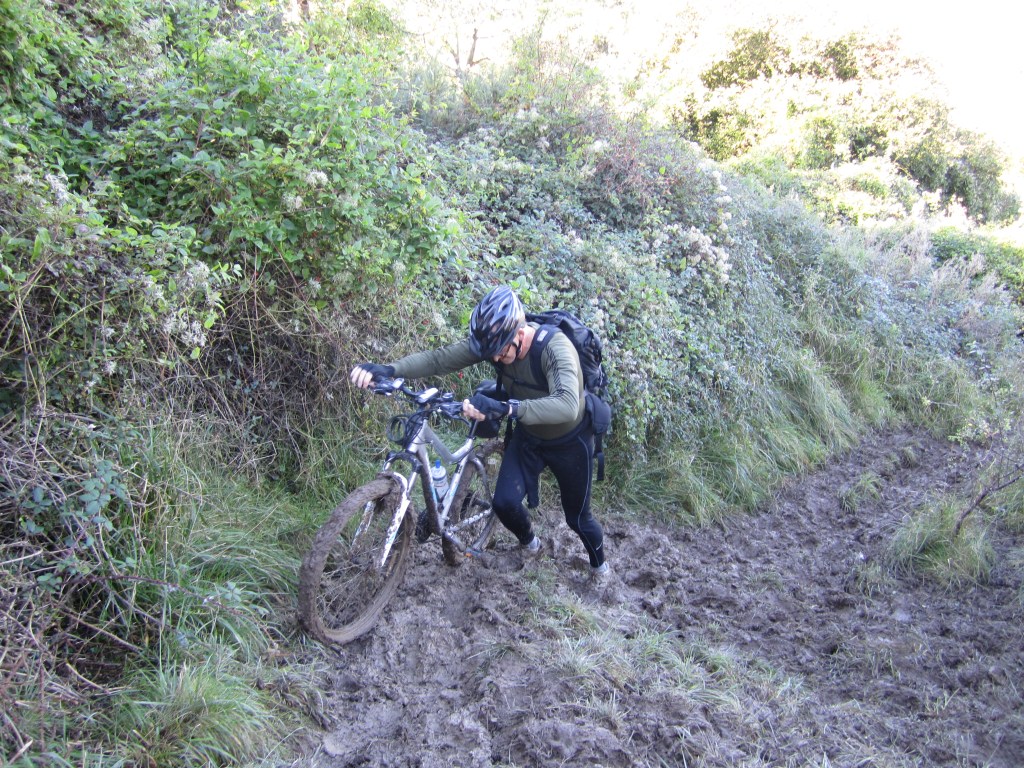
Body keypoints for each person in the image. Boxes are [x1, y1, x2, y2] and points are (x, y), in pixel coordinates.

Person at [350, 285, 610, 583]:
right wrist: (390, 369)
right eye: (491, 353)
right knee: (504, 503)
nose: (495, 358)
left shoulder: (555, 348)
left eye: (501, 351)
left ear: (519, 332)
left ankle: (599, 569)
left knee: (578, 518)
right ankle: (530, 544)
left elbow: (567, 405)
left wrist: (507, 408)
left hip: (570, 441)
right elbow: (439, 360)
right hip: (529, 437)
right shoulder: (493, 342)